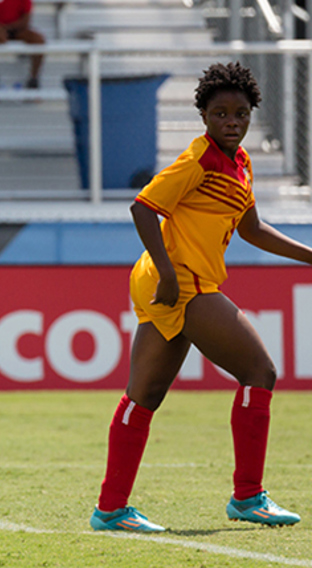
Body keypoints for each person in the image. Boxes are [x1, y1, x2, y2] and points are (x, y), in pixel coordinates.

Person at [90, 62, 312, 533]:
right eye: (220, 114)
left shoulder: (241, 163)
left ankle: (110, 509)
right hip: (181, 281)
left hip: (171, 281)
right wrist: (169, 274)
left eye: (240, 113)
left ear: (251, 114)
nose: (232, 122)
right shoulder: (200, 159)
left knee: (145, 394)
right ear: (204, 117)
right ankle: (249, 496)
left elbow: (252, 229)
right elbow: (144, 207)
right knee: (261, 370)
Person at [0, 0, 44, 89]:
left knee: (38, 40)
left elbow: (26, 19)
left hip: (17, 30)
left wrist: (7, 28)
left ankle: (33, 78)